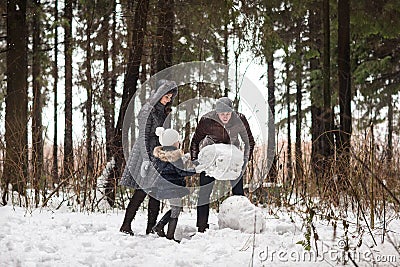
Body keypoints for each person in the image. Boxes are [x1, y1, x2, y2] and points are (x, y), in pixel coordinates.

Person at [119, 80, 178, 236]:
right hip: (144, 154)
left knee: (156, 192)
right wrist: (145, 159)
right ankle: (126, 225)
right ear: (159, 94)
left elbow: (164, 135)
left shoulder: (164, 111)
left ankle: (151, 228)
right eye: (166, 97)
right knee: (141, 191)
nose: (168, 100)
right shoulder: (147, 111)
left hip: (158, 155)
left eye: (170, 97)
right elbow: (143, 137)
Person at [190, 97, 255, 232]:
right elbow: (195, 141)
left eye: (228, 114)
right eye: (222, 114)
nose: (225, 117)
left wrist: (244, 160)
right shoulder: (207, 120)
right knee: (204, 194)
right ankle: (201, 227)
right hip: (212, 159)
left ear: (232, 112)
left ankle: (242, 224)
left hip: (232, 159)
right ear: (216, 113)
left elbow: (249, 142)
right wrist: (195, 160)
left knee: (238, 194)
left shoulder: (240, 119)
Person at [150, 127, 196, 242]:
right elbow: (181, 172)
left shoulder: (160, 156)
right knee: (176, 210)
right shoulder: (175, 156)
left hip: (164, 186)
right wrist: (195, 171)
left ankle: (159, 226)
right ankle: (169, 236)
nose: (178, 142)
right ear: (172, 142)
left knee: (175, 208)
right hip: (173, 186)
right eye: (177, 140)